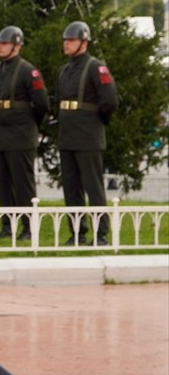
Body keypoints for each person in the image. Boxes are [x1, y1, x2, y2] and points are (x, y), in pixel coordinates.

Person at [55, 20, 119, 245]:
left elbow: (110, 101)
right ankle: (77, 233)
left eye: (71, 40)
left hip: (88, 134)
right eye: (65, 40)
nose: (66, 43)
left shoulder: (95, 67)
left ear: (84, 42)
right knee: (71, 188)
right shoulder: (64, 70)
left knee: (93, 187)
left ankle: (100, 234)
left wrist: (98, 122)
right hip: (68, 135)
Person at [0, 26, 48, 240]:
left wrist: (28, 125)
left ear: (16, 46)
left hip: (20, 134)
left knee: (23, 185)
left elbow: (41, 103)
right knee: (3, 184)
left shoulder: (28, 71)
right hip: (0, 135)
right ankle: (8, 225)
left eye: (4, 43)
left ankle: (28, 227)